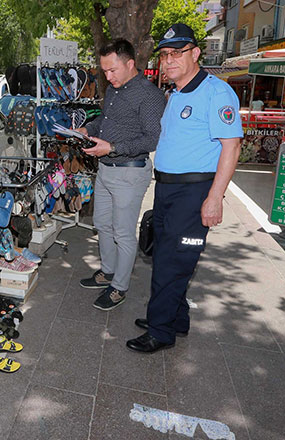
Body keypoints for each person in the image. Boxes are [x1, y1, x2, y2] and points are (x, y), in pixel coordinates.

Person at [127, 23, 243, 353]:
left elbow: (231, 147)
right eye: (165, 55)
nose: (169, 60)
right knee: (163, 253)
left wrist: (214, 198)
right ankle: (175, 318)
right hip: (168, 191)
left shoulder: (216, 93)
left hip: (193, 193)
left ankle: (160, 330)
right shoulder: (177, 93)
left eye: (177, 53)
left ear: (195, 53)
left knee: (173, 261)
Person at [76, 39, 165, 311]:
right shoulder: (114, 90)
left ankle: (119, 288)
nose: (108, 76)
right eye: (104, 71)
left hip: (129, 172)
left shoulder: (149, 95)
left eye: (112, 70)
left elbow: (153, 139)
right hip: (106, 169)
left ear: (130, 64)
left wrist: (112, 147)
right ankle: (108, 272)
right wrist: (88, 129)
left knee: (123, 233)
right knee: (102, 224)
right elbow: (105, 121)